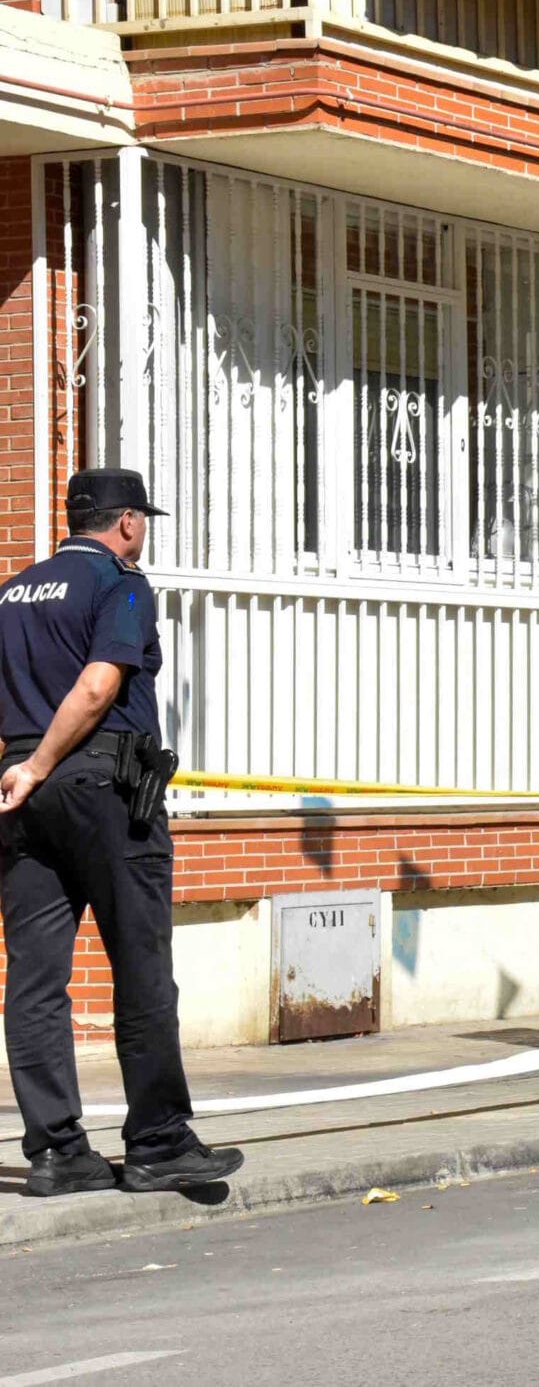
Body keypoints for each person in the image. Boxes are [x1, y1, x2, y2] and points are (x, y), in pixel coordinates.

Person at [1, 469, 245, 1196]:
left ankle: (56, 1153)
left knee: (35, 979)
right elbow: (100, 684)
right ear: (128, 521)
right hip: (104, 790)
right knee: (141, 968)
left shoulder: (13, 593)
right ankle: (159, 1143)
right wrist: (44, 762)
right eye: (142, 520)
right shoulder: (122, 584)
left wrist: (21, 770)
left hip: (23, 797)